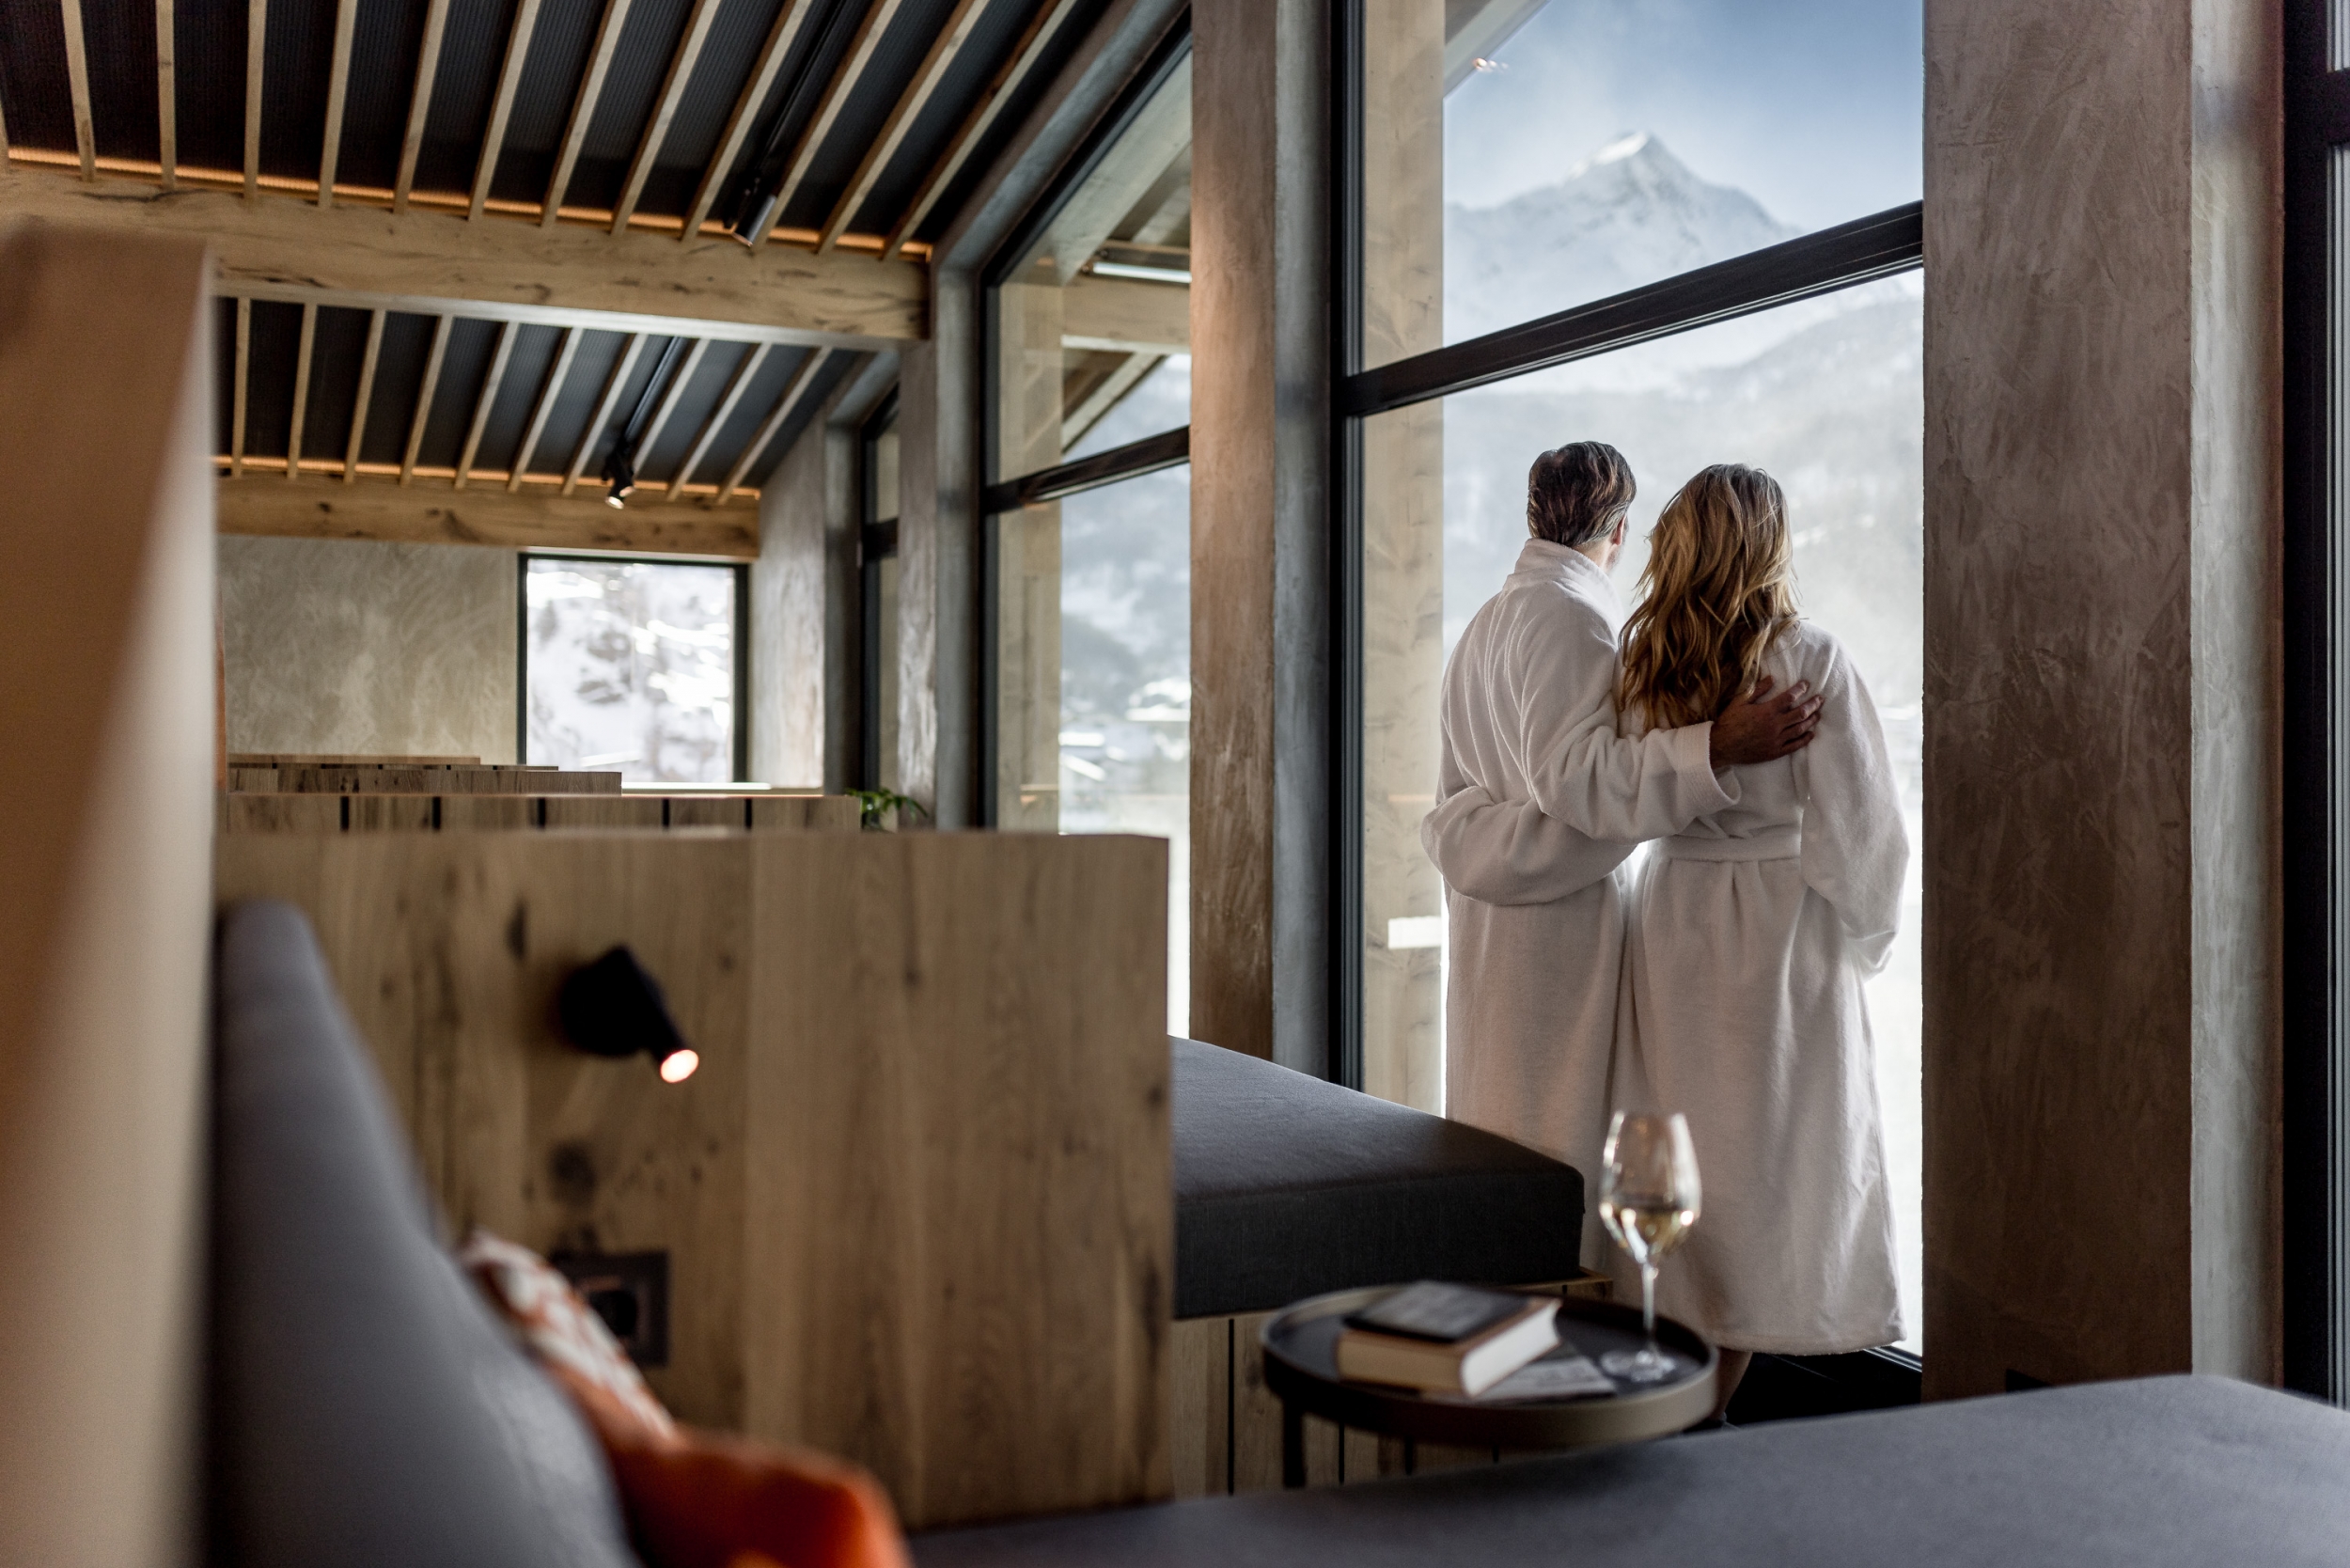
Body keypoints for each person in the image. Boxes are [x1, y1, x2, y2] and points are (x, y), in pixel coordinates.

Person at [1419, 442, 1821, 1281]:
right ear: (1622, 526)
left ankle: (1499, 1359)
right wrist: (1714, 748)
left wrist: (1474, 841)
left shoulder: (1485, 625)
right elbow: (1581, 790)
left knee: (1500, 1165)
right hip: (1559, 943)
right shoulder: (1573, 619)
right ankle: (1563, 1378)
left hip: (1491, 938)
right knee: (1556, 1174)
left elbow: (1456, 806)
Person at [1610, 463, 1908, 1408]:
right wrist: (1868, 936)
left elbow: (1621, 794)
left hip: (1672, 923)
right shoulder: (1809, 659)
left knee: (1692, 1152)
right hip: (1780, 932)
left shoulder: (1643, 663)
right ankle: (1699, 1414)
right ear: (1770, 543)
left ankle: (1678, 1394)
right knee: (1771, 1158)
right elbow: (1862, 825)